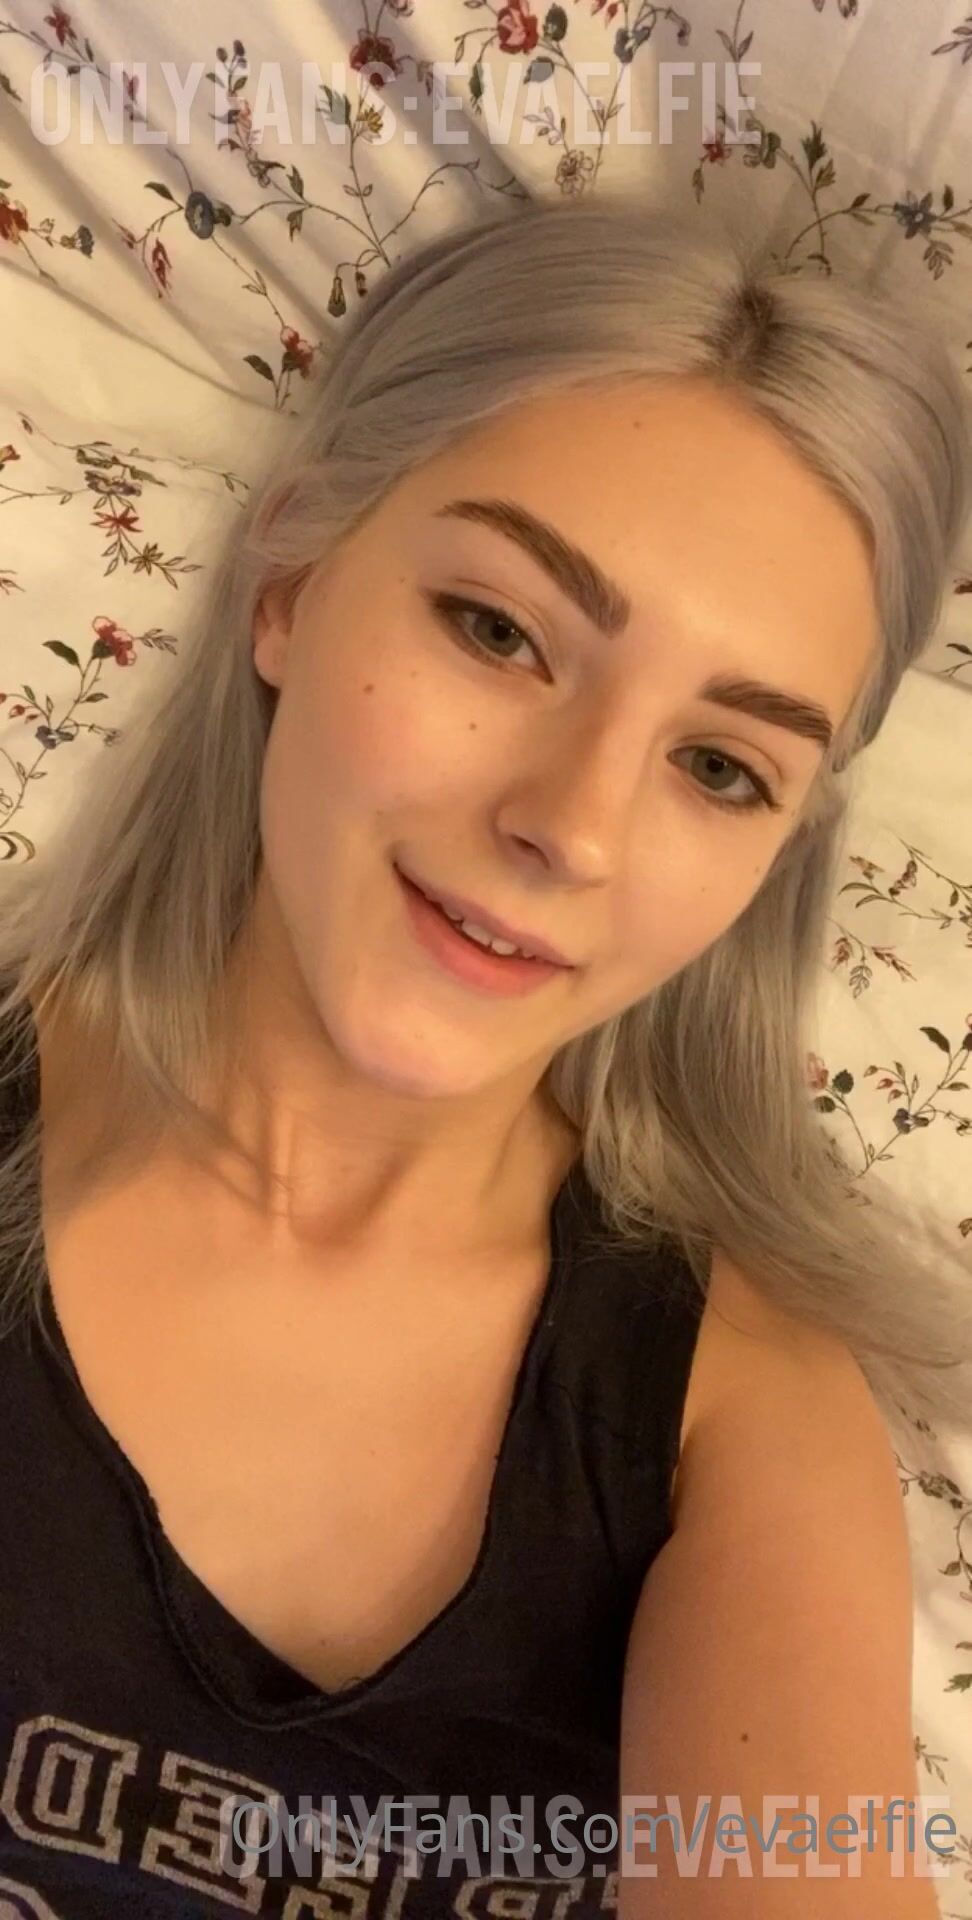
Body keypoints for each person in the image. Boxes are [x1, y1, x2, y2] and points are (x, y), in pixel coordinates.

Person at [0, 197, 969, 1919]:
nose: (570, 828)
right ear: (291, 580)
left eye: (720, 768)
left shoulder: (740, 1424)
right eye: (501, 632)